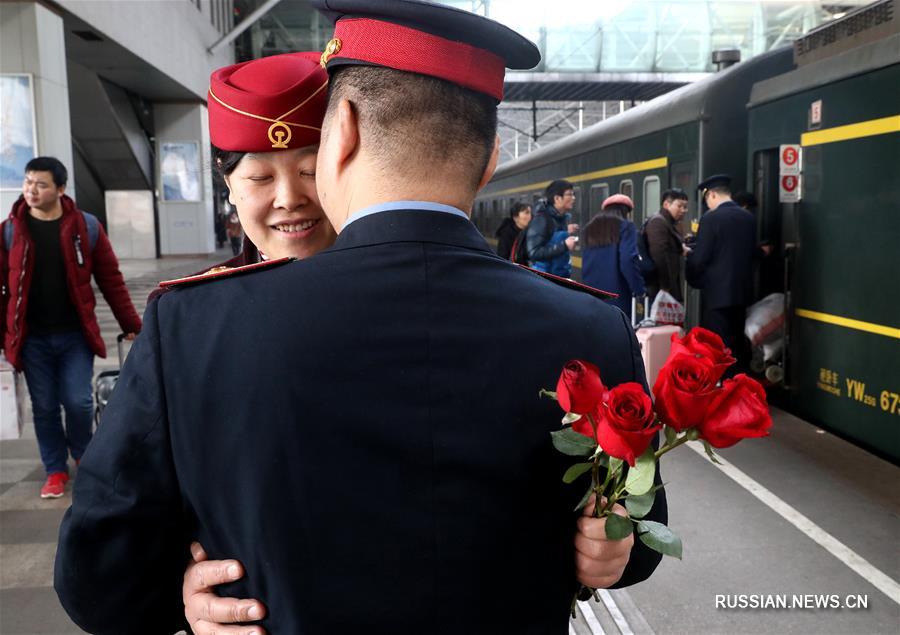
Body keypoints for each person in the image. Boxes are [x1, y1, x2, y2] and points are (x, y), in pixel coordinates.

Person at [55, 3, 667, 634]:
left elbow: (97, 581)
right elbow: (643, 527)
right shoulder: (592, 326)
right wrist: (615, 549)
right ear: (488, 164)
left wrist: (180, 596)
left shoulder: (191, 326)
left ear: (339, 129)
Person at [0, 156, 141, 499]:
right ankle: (55, 469)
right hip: (31, 338)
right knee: (45, 406)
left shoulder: (86, 227)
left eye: (41, 184)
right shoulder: (9, 230)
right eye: (28, 182)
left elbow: (111, 280)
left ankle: (83, 453)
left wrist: (131, 324)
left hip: (75, 334)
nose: (31, 190)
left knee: (78, 402)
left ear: (61, 189)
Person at [686, 174, 756, 372]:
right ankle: (738, 383)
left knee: (719, 344)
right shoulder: (748, 218)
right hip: (741, 293)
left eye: (707, 199)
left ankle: (723, 385)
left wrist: (691, 273)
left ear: (712, 195)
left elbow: (701, 257)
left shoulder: (711, 218)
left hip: (717, 294)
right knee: (737, 342)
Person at [581, 194, 645, 315]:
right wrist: (639, 289)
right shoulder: (626, 227)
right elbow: (628, 260)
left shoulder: (589, 229)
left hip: (591, 292)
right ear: (625, 211)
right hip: (617, 294)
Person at [526, 179, 579, 276]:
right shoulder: (542, 219)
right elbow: (534, 252)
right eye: (570, 194)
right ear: (557, 198)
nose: (573, 198)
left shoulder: (561, 218)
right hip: (545, 279)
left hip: (557, 276)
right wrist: (564, 245)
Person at [644, 188, 689, 303]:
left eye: (685, 207)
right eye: (679, 206)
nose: (683, 210)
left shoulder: (668, 223)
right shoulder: (658, 222)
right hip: (660, 290)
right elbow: (659, 254)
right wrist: (666, 287)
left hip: (666, 288)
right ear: (666, 204)